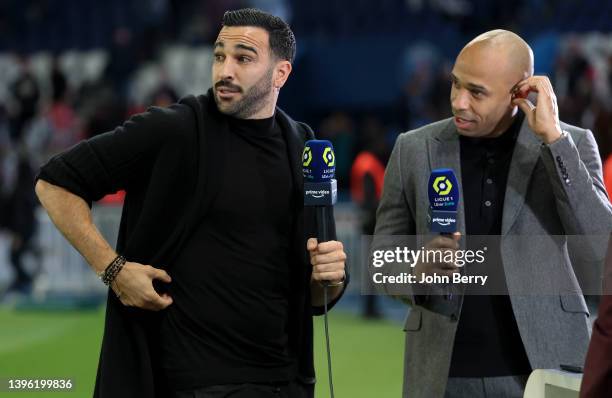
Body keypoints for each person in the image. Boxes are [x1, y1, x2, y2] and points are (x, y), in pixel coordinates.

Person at [34, 8, 347, 398]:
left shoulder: (303, 146)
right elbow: (55, 182)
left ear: (280, 73)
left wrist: (331, 279)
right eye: (219, 55)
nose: (225, 70)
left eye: (243, 58)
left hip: (285, 384)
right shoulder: (174, 130)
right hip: (193, 385)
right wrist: (113, 269)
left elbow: (318, 296)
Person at [374, 30, 612, 398]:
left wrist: (554, 142)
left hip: (544, 371)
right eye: (455, 85)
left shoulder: (571, 144)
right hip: (442, 376)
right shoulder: (413, 149)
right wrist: (414, 271)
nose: (459, 102)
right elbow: (380, 258)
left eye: (476, 92)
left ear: (519, 93)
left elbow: (601, 246)